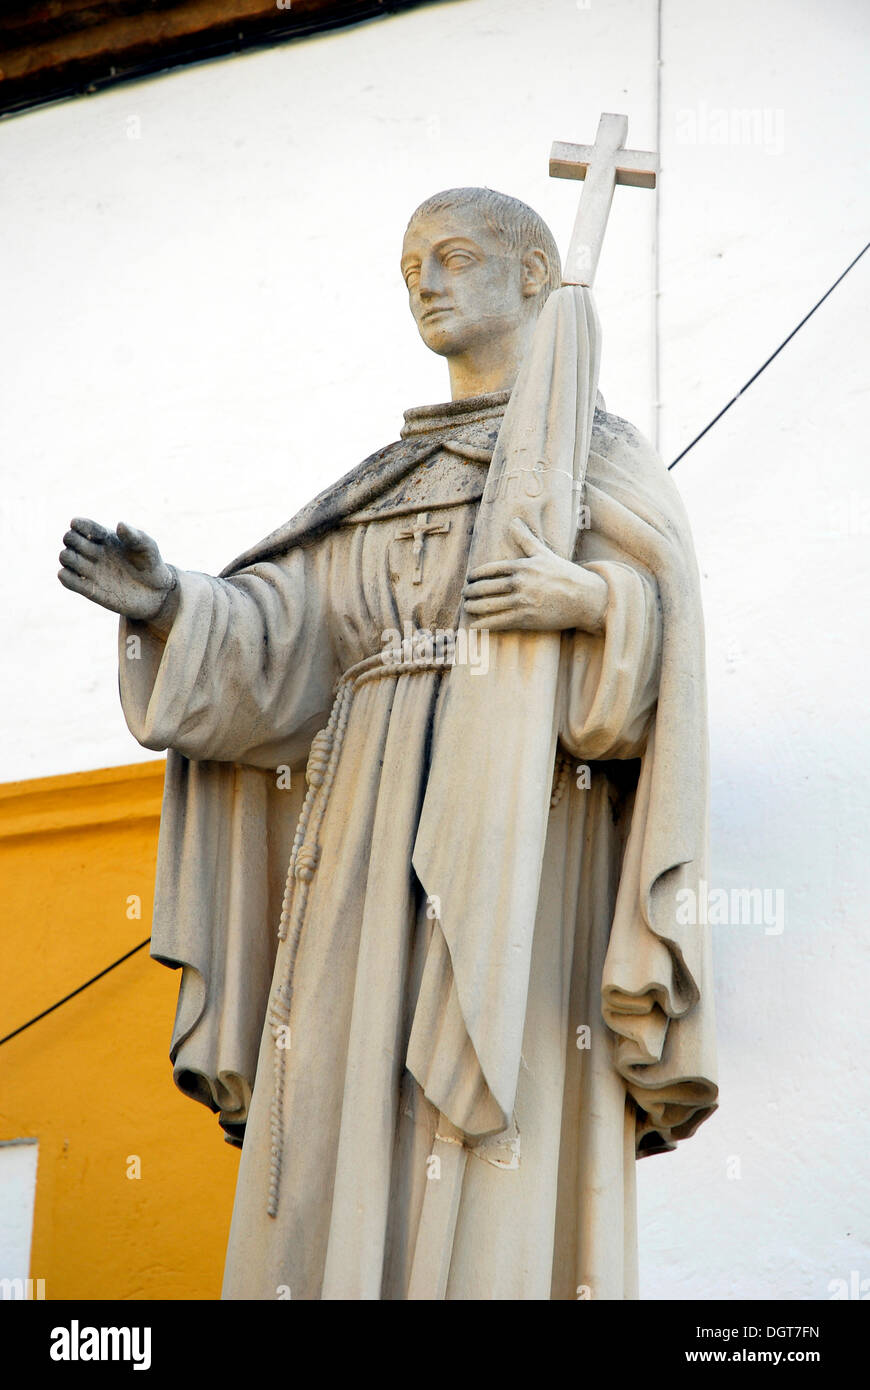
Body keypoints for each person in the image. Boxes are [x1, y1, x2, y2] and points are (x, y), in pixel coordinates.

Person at [58, 187, 716, 1300]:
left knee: (499, 1083)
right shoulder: (380, 485)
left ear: (535, 280)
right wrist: (172, 604)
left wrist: (591, 598)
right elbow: (286, 646)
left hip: (521, 834)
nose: (427, 280)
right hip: (355, 838)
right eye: (411, 265)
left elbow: (671, 670)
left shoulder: (595, 463)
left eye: (457, 257)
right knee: (335, 1083)